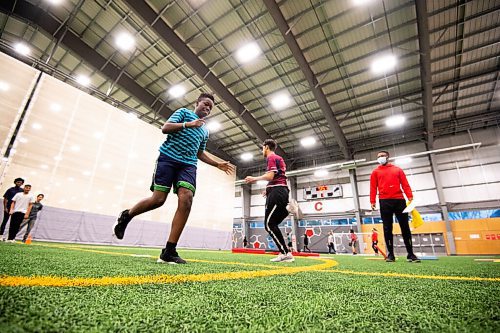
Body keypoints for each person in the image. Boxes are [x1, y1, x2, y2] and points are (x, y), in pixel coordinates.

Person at [114, 93, 234, 264]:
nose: (207, 108)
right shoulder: (184, 113)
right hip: (168, 159)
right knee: (158, 200)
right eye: (205, 104)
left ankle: (169, 251)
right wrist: (188, 124)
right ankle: (127, 215)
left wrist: (217, 164)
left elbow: (199, 153)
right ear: (197, 103)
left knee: (187, 199)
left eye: (210, 108)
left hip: (188, 165)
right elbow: (165, 128)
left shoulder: (205, 131)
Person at [244, 139, 294, 263]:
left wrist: (253, 179)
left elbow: (270, 176)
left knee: (269, 224)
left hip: (277, 192)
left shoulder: (271, 157)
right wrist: (267, 189)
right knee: (273, 223)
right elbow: (277, 177)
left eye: (262, 148)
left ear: (266, 147)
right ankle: (287, 210)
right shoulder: (278, 158)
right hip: (278, 190)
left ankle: (285, 253)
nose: (262, 151)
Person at [370, 150, 420, 263]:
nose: (380, 158)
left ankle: (410, 254)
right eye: (378, 157)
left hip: (399, 201)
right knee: (387, 228)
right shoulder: (375, 172)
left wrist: (410, 196)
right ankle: (390, 254)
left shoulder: (398, 170)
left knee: (405, 227)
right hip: (384, 201)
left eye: (382, 156)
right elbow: (373, 188)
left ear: (387, 157)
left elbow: (405, 184)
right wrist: (372, 201)